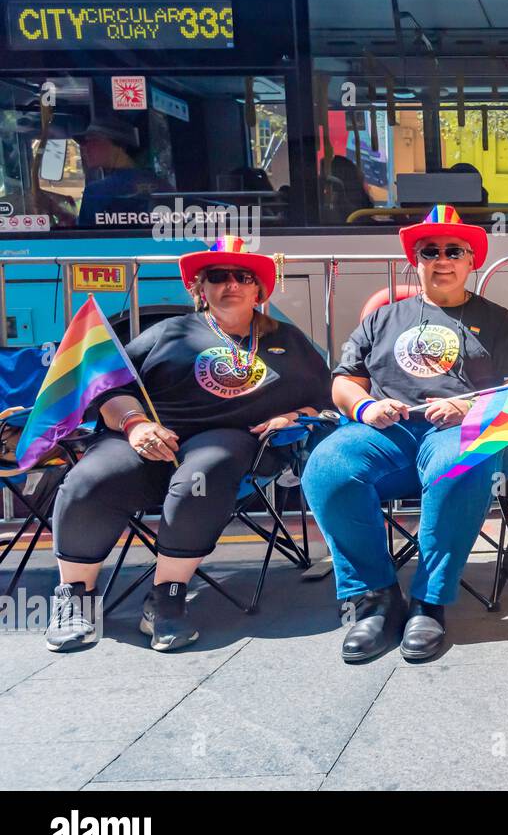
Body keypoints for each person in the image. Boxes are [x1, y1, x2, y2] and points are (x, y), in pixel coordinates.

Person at [44, 238, 331, 653]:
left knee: (203, 475)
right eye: (217, 276)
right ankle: (76, 600)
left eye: (242, 276)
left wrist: (289, 417)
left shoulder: (288, 340)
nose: (230, 284)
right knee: (89, 478)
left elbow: (321, 401)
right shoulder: (168, 332)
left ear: (259, 290)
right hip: (153, 435)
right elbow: (109, 388)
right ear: (200, 288)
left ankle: (166, 600)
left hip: (235, 438)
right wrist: (134, 423)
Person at [301, 205, 508, 664]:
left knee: (457, 463)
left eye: (454, 251)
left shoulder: (499, 321)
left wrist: (468, 405)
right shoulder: (381, 319)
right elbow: (344, 382)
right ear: (416, 260)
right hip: (392, 433)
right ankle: (377, 597)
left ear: (472, 262)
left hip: (470, 431)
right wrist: (367, 407)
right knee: (327, 468)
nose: (442, 259)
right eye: (430, 251)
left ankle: (429, 602)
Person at [75, 119, 160, 228]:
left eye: (93, 141)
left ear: (119, 147)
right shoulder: (161, 185)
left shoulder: (96, 192)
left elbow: (83, 239)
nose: (85, 148)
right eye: (84, 143)